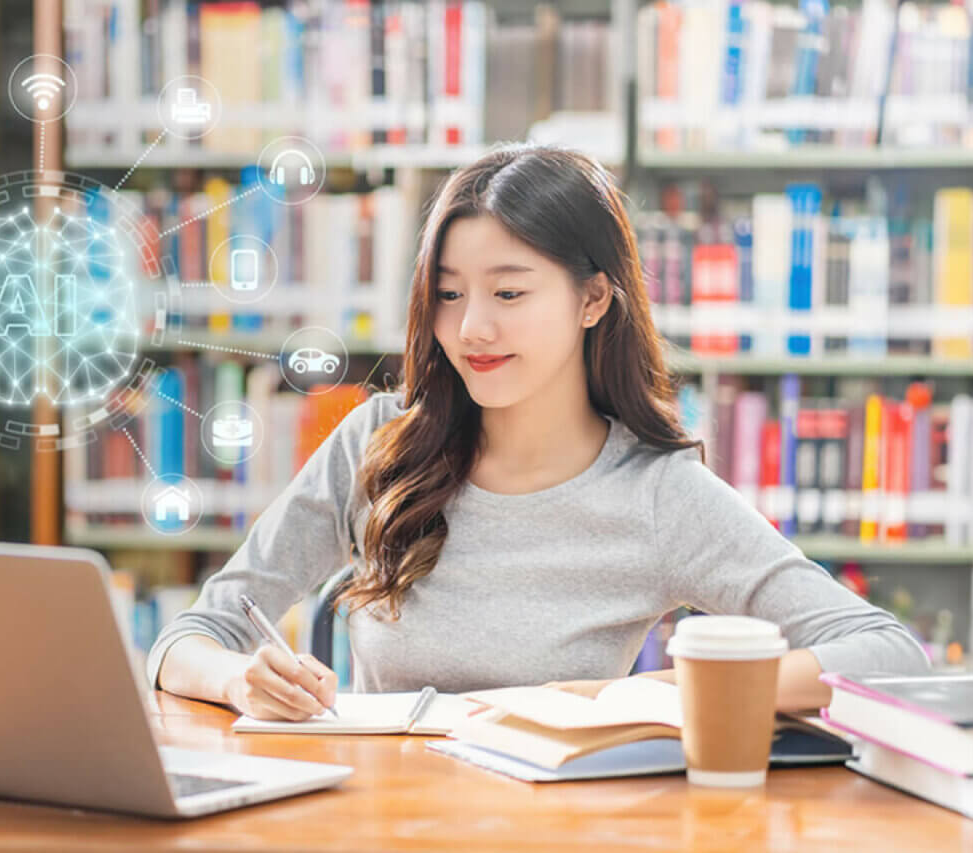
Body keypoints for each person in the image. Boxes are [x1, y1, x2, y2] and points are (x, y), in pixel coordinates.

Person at [147, 145, 930, 722]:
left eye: (509, 292)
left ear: (594, 299)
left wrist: (641, 695)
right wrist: (234, 679)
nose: (471, 328)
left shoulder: (657, 494)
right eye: (448, 295)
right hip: (385, 823)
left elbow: (886, 655)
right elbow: (192, 634)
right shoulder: (378, 443)